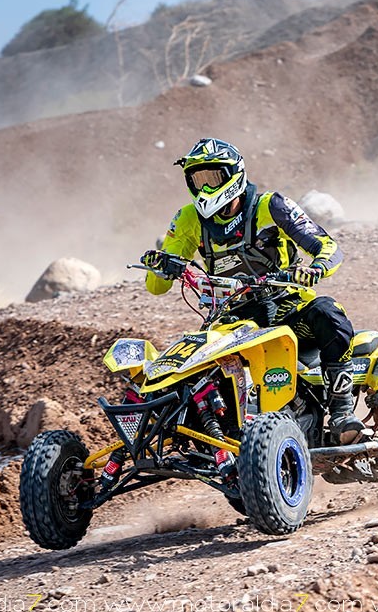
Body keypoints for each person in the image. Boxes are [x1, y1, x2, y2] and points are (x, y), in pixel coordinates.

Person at [141, 138, 364, 444]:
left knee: (329, 313)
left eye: (212, 178)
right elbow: (156, 287)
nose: (205, 189)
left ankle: (341, 410)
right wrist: (161, 266)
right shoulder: (188, 219)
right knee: (188, 373)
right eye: (197, 180)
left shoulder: (270, 206)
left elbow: (328, 247)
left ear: (234, 174)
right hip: (231, 320)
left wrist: (315, 268)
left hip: (287, 311)